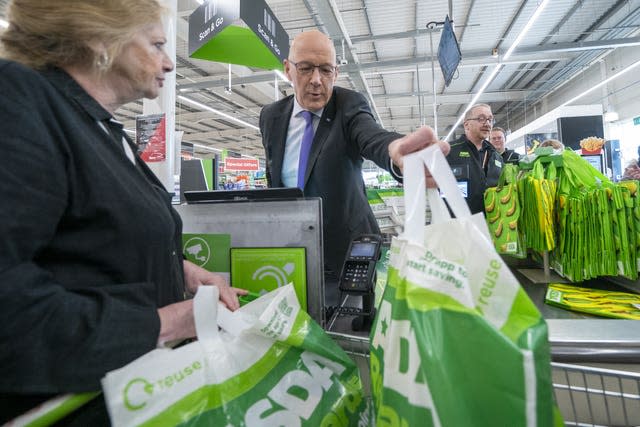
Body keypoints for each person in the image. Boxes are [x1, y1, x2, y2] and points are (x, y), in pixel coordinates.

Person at [0, 0, 245, 423]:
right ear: (100, 38)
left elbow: (91, 235)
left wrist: (180, 269)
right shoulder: (18, 100)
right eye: (156, 44)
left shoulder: (97, 126)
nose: (169, 63)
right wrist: (165, 324)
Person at [259, 30, 448, 298]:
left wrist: (396, 153)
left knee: (350, 327)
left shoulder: (348, 106)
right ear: (288, 69)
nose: (316, 80)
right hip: (292, 248)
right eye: (305, 68)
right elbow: (273, 173)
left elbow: (372, 136)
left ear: (335, 73)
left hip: (347, 251)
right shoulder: (270, 116)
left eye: (325, 70)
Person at [446, 103, 503, 214]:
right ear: (467, 125)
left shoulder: (496, 157)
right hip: (460, 223)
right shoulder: (449, 151)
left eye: (490, 119)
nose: (487, 123)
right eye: (481, 119)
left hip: (492, 224)